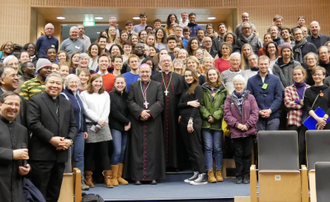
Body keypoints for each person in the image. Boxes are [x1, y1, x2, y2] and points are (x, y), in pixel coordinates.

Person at [27, 73, 77, 201]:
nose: (54, 86)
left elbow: (73, 125)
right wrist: (51, 139)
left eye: (58, 83)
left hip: (60, 155)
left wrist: (69, 140)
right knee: (39, 194)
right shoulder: (35, 100)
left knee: (54, 193)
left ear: (62, 86)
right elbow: (33, 123)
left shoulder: (67, 103)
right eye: (52, 83)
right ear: (45, 84)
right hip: (41, 156)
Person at [124, 63, 165, 185]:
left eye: (147, 72)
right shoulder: (133, 85)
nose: (145, 74)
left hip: (153, 122)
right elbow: (130, 101)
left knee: (153, 148)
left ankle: (152, 176)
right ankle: (137, 177)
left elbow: (161, 102)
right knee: (137, 148)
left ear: (151, 72)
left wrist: (149, 113)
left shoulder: (157, 85)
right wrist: (140, 112)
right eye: (142, 72)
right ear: (139, 73)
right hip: (138, 122)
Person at [152, 55, 186, 169]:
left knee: (175, 137)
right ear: (160, 64)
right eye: (164, 61)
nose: (166, 63)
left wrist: (181, 113)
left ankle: (175, 164)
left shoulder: (179, 77)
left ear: (171, 63)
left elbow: (183, 97)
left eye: (168, 61)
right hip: (159, 114)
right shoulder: (155, 77)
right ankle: (161, 165)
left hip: (175, 113)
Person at [224, 75, 258, 184]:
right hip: (236, 131)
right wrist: (237, 125)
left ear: (244, 85)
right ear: (234, 85)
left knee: (247, 154)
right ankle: (238, 176)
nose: (238, 86)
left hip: (249, 131)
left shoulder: (250, 97)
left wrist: (247, 125)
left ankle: (246, 176)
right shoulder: (229, 99)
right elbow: (227, 115)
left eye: (240, 84)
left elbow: (255, 113)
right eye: (236, 84)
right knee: (238, 154)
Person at [80, 74, 112, 188]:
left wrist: (101, 120)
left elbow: (107, 109)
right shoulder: (84, 94)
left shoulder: (105, 94)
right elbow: (85, 110)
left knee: (104, 153)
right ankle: (88, 178)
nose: (98, 84)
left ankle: (108, 178)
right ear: (91, 82)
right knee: (89, 153)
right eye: (96, 81)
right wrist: (98, 120)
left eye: (100, 81)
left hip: (103, 125)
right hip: (90, 125)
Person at [178, 68, 207, 185]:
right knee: (190, 149)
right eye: (186, 76)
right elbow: (179, 105)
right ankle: (196, 172)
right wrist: (188, 103)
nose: (188, 77)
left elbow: (197, 105)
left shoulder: (198, 88)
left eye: (190, 75)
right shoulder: (186, 90)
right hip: (184, 121)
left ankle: (203, 174)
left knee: (196, 148)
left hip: (193, 121)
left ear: (194, 76)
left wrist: (191, 120)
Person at [60, 74, 89, 190]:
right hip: (68, 133)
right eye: (71, 82)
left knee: (79, 156)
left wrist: (84, 129)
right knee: (68, 157)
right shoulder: (63, 96)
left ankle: (79, 181)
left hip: (79, 132)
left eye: (76, 82)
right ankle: (66, 182)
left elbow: (81, 113)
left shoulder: (77, 96)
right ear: (66, 83)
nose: (74, 84)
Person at [0, 91, 30, 202]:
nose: (13, 107)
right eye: (9, 104)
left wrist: (25, 167)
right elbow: (15, 154)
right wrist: (12, 154)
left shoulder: (22, 130)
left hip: (16, 186)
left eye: (16, 105)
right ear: (0, 104)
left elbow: (24, 155)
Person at [200, 67, 227, 183]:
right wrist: (208, 116)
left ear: (217, 75)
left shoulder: (224, 90)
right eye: (210, 75)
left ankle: (219, 171)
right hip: (205, 124)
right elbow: (200, 105)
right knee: (208, 148)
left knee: (218, 148)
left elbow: (224, 106)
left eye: (214, 75)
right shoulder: (202, 89)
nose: (212, 77)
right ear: (207, 76)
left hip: (218, 124)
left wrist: (215, 116)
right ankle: (210, 172)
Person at [247, 55, 282, 131]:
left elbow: (278, 97)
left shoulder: (276, 79)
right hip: (257, 116)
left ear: (269, 65)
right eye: (261, 64)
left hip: (273, 115)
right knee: (260, 139)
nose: (263, 66)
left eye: (265, 64)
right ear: (258, 64)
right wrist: (258, 110)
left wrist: (270, 110)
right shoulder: (251, 80)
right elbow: (250, 99)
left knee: (272, 139)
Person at [284, 66, 310, 165]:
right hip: (293, 120)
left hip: (306, 121)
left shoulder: (309, 88)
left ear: (303, 75)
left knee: (303, 145)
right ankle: (293, 167)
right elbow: (287, 103)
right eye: (295, 74)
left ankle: (303, 167)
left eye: (299, 74)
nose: (297, 76)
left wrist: (296, 102)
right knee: (293, 145)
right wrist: (301, 103)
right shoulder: (288, 89)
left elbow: (310, 104)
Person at [109, 76, 130, 186]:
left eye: (122, 83)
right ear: (115, 84)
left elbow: (130, 109)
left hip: (125, 127)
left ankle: (119, 176)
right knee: (116, 151)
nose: (120, 85)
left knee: (122, 151)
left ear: (125, 84)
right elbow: (114, 111)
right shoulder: (110, 95)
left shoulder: (127, 96)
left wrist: (128, 122)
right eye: (118, 83)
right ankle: (112, 177)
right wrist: (127, 121)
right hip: (115, 126)